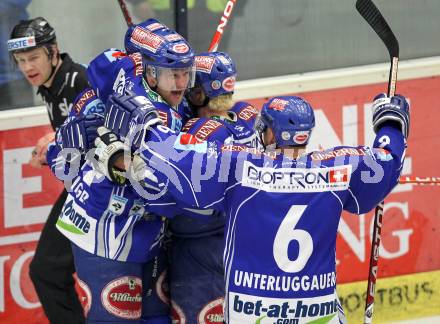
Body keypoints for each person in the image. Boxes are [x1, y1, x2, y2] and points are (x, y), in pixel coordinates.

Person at [99, 91, 409, 323]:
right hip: (318, 313)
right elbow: (385, 163)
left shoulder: (240, 166)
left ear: (271, 132)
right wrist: (391, 125)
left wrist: (149, 129)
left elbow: (181, 162)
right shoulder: (338, 168)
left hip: (252, 312)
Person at [45, 18, 198, 323]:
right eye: (173, 74)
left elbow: (106, 63)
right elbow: (64, 161)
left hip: (147, 234)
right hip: (104, 232)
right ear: (150, 72)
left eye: (186, 73)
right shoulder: (128, 108)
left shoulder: (164, 96)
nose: (181, 83)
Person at [166, 50, 259, 323]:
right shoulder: (248, 117)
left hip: (196, 248)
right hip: (241, 240)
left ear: (196, 94)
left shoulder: (196, 130)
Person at [7, 17, 88, 324]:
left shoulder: (78, 79)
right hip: (80, 189)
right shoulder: (49, 87)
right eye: (20, 60)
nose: (27, 67)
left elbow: (111, 126)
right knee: (46, 270)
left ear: (53, 52)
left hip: (102, 193)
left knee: (47, 270)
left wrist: (61, 136)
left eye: (34, 57)